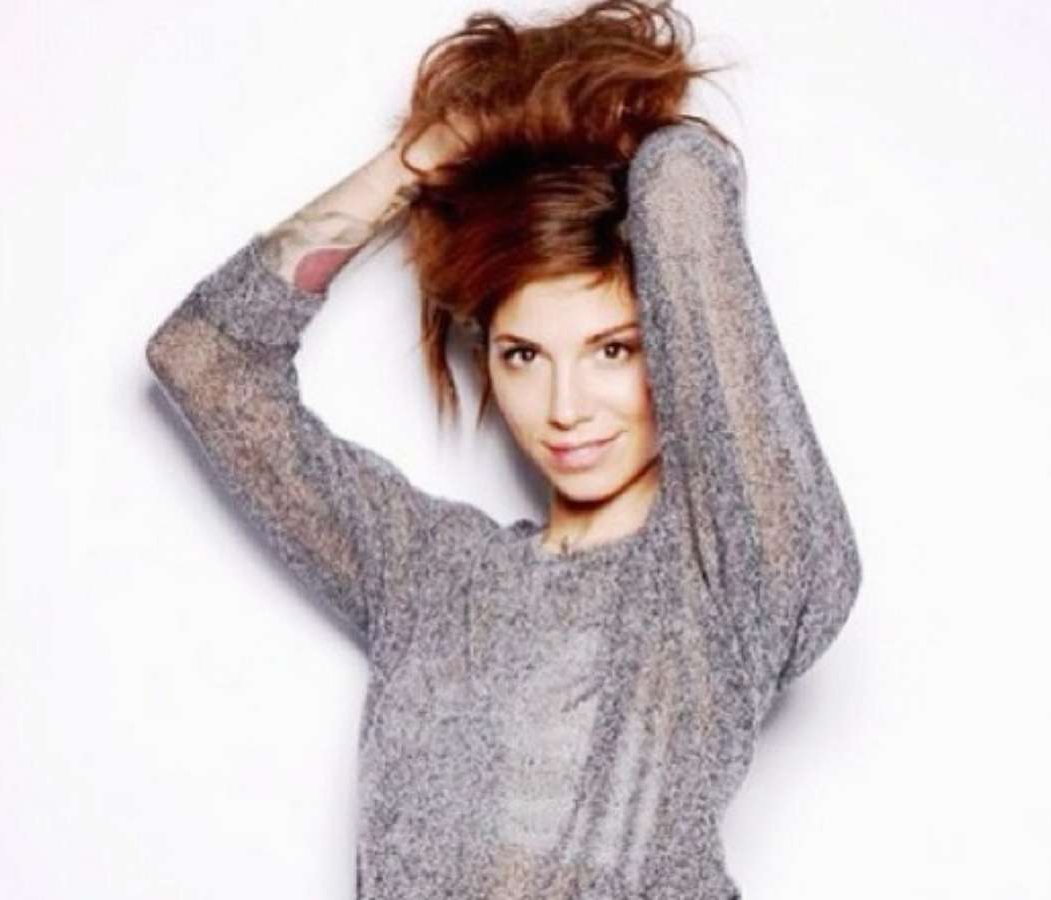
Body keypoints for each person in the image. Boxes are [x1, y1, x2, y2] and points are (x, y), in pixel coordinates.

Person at [144, 1, 862, 897]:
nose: (567, 407)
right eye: (524, 355)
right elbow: (202, 358)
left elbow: (681, 184)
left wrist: (576, 113)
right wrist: (418, 160)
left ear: (672, 342)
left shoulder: (739, 574)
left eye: (614, 350)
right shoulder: (428, 572)